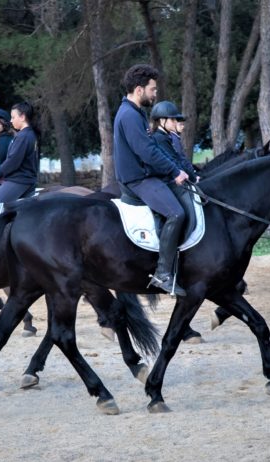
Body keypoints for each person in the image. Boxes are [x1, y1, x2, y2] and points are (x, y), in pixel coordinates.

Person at [114, 64, 189, 297]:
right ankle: (163, 273)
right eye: (153, 89)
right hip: (138, 180)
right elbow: (146, 151)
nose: (155, 94)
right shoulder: (129, 115)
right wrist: (175, 171)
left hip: (145, 176)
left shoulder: (135, 112)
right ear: (139, 90)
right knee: (177, 213)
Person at [0, 101, 40, 203]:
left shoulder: (23, 136)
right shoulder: (29, 134)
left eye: (13, 117)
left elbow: (12, 162)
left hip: (19, 181)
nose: (11, 121)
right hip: (24, 180)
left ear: (22, 117)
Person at [149, 100, 197, 182]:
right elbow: (175, 161)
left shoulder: (164, 136)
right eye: (172, 119)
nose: (175, 122)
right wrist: (193, 179)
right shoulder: (160, 138)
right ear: (162, 121)